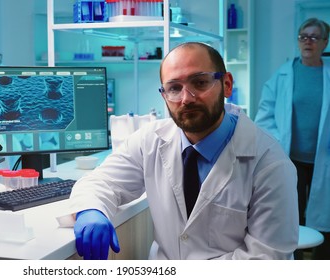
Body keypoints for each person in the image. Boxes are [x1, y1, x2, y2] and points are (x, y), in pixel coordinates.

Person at [63, 42, 299, 260]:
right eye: (174, 88)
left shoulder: (269, 163)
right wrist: (91, 210)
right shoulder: (151, 139)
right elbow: (100, 181)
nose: (186, 98)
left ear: (227, 84)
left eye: (200, 82)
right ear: (164, 95)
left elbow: (266, 259)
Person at [255, 17, 330, 260]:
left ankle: (322, 263)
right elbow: (265, 115)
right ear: (298, 42)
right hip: (291, 159)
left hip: (324, 160)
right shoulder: (283, 75)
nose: (308, 41)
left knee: (325, 216)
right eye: (303, 37)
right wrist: (279, 140)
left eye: (314, 37)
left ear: (325, 43)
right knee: (290, 215)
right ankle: (293, 264)